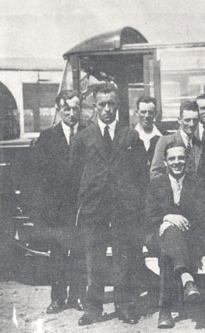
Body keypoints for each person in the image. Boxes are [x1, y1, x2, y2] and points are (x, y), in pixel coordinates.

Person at [70, 83, 148, 326]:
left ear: (117, 105)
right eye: (101, 104)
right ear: (94, 107)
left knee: (123, 258)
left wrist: (134, 202)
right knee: (94, 259)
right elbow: (74, 174)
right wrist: (85, 201)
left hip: (123, 209)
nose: (106, 109)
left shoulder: (130, 135)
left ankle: (124, 305)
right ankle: (93, 308)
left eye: (111, 104)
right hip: (95, 210)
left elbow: (140, 174)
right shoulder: (84, 137)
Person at [145, 141, 205, 328]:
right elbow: (149, 217)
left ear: (187, 160)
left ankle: (165, 311)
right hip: (158, 235)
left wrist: (179, 222)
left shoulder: (197, 183)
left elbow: (204, 217)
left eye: (181, 158)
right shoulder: (156, 184)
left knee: (168, 254)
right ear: (165, 162)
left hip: (190, 237)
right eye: (172, 158)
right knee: (170, 237)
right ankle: (186, 279)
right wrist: (168, 217)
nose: (177, 162)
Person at [32, 89, 86, 314]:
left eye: (76, 109)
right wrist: (44, 209)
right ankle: (57, 298)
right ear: (59, 109)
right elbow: (40, 176)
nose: (72, 113)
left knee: (80, 253)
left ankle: (78, 296)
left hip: (82, 206)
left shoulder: (88, 132)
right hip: (57, 209)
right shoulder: (48, 137)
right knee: (58, 254)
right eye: (67, 109)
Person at [150, 101, 202, 180]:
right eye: (187, 120)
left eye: (195, 120)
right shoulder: (165, 141)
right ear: (179, 120)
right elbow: (155, 173)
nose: (192, 124)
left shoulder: (200, 144)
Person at [133, 96, 165, 170]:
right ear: (137, 113)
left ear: (155, 113)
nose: (147, 116)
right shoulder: (128, 136)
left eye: (150, 112)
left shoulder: (164, 136)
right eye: (143, 112)